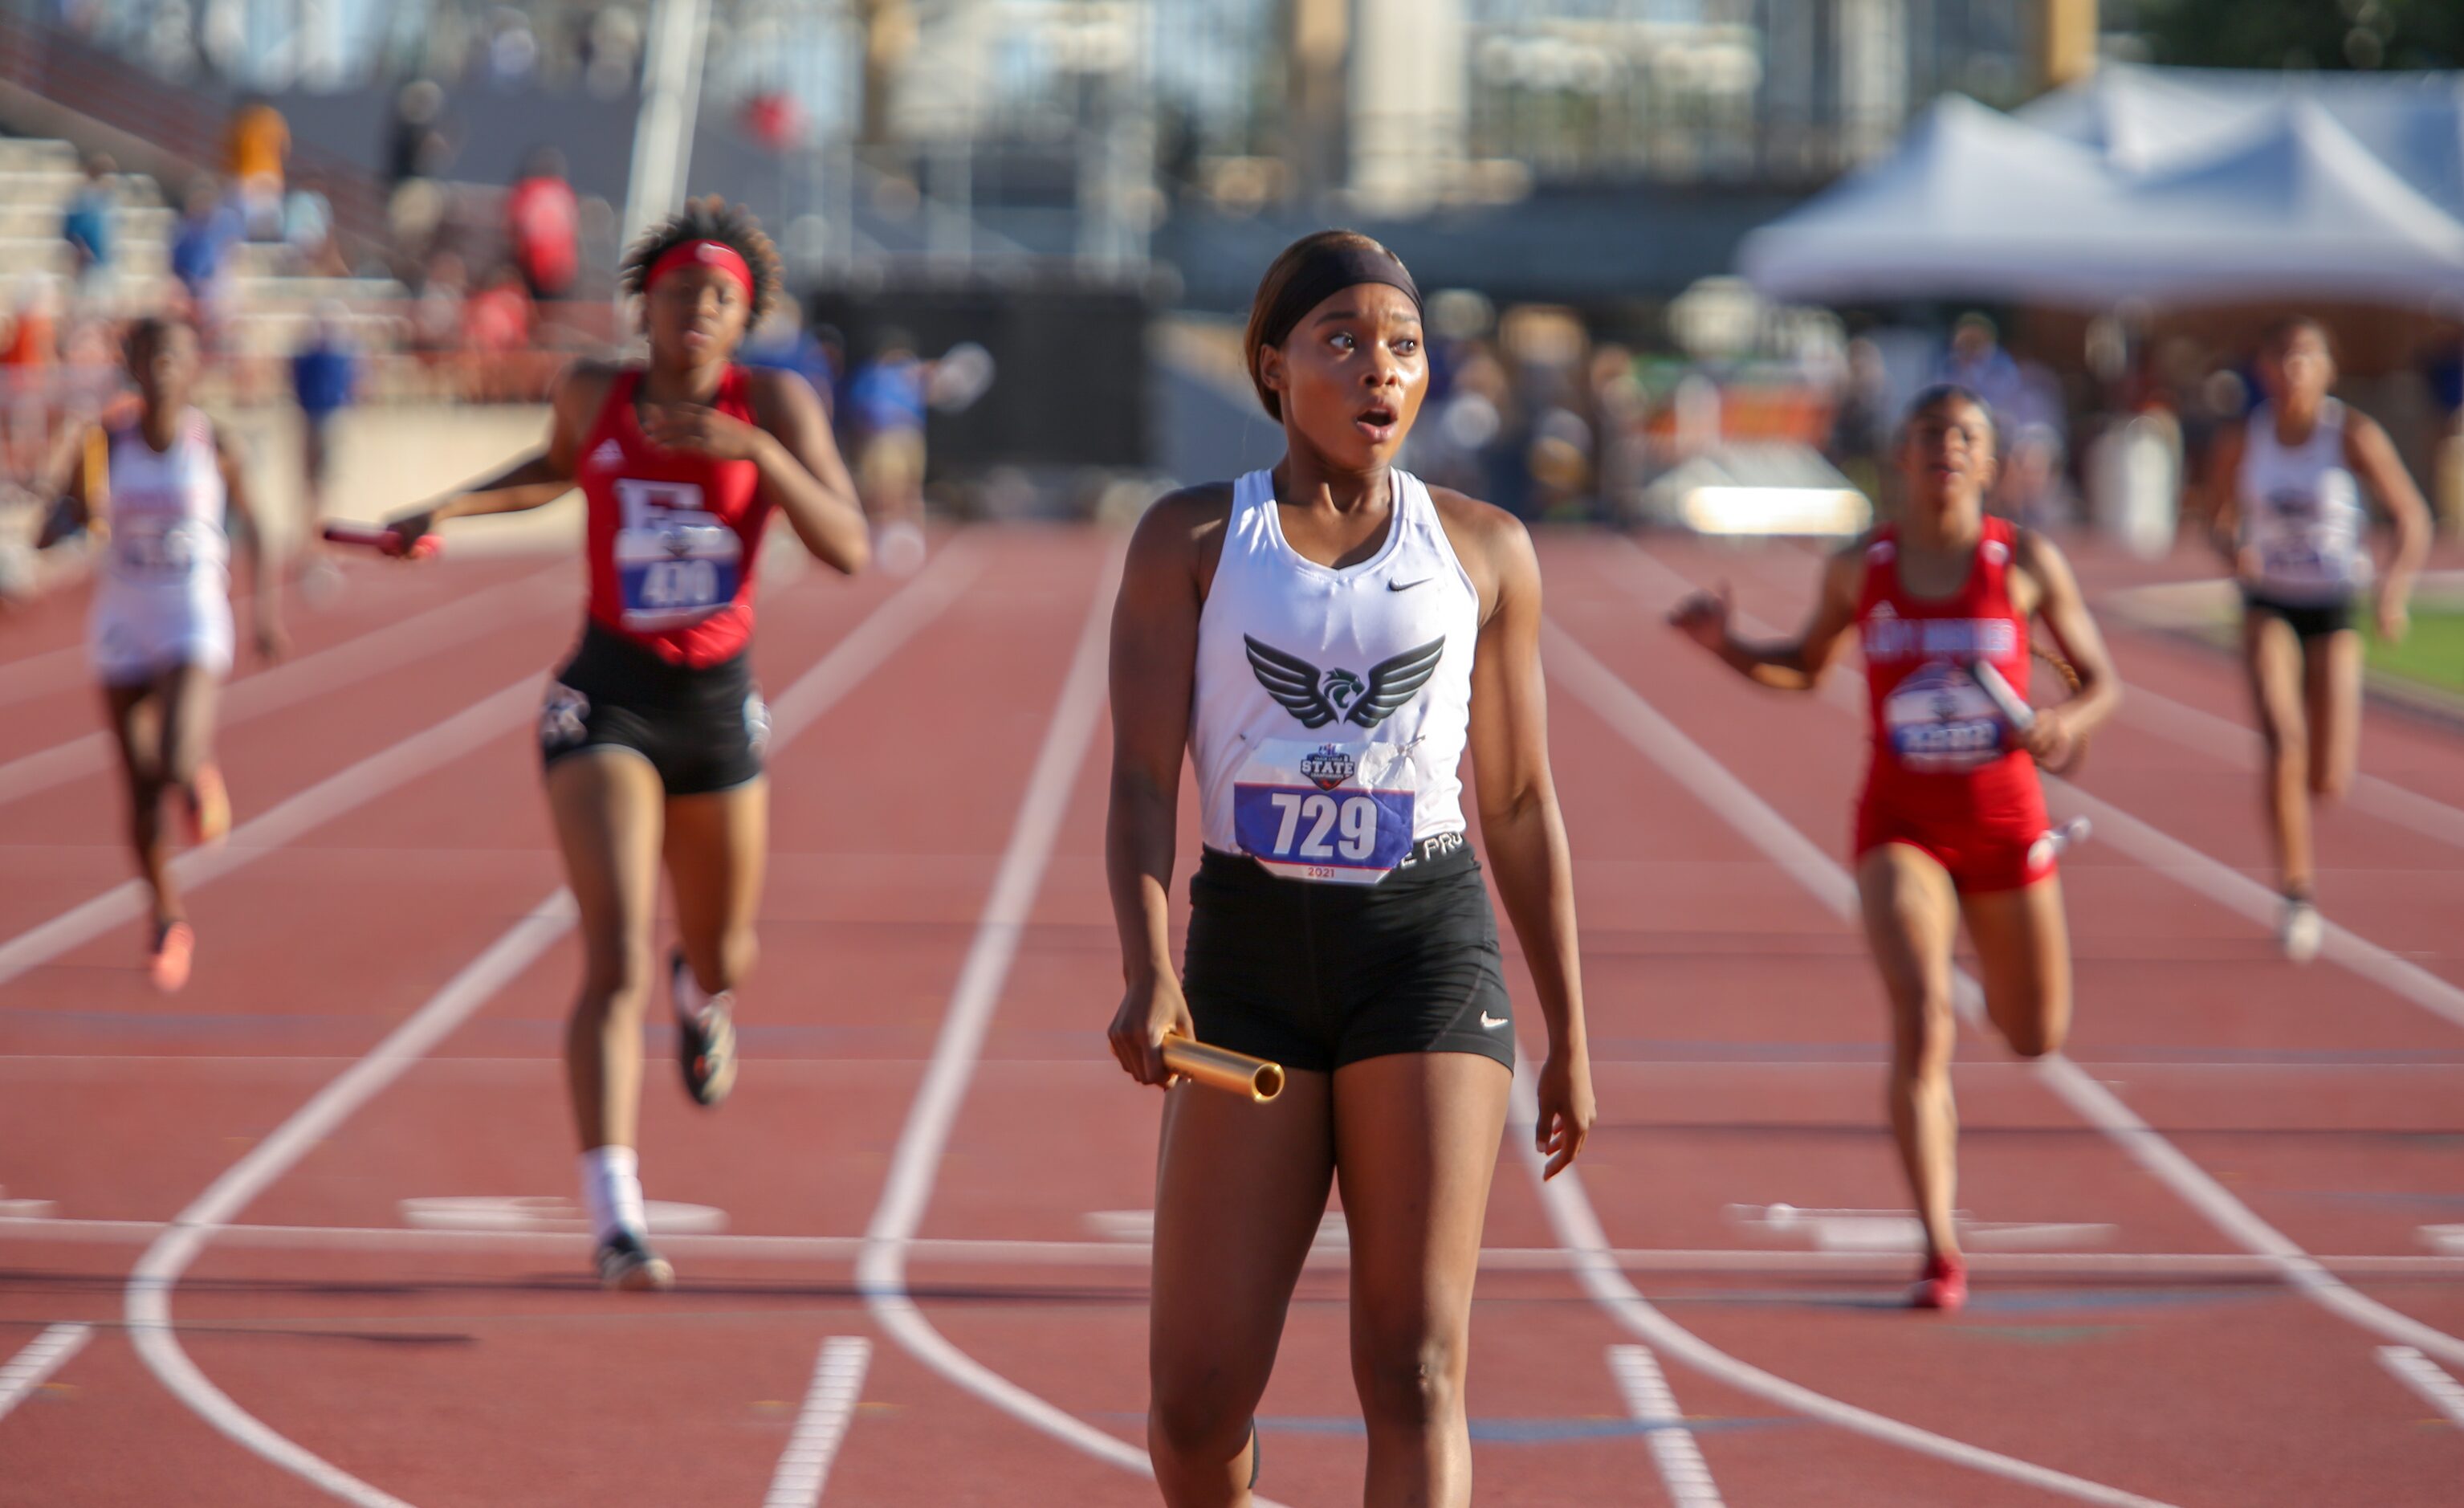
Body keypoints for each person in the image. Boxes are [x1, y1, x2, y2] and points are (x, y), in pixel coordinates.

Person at [1106, 230, 1595, 1505]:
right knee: (1196, 1404)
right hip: (1249, 959)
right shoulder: (1194, 538)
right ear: (1271, 366)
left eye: (1405, 347)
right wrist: (1147, 966)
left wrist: (1571, 1030)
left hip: (1422, 948)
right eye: (1343, 341)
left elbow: (1525, 800)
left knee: (1415, 1363)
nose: (1381, 370)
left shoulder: (1484, 550)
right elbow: (1145, 780)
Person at [379, 199, 870, 1290]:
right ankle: (616, 1214)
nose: (697, 310)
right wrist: (445, 510)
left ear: (747, 320)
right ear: (644, 301)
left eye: (722, 299)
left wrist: (756, 454)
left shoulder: (775, 400)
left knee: (723, 946)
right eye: (681, 291)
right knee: (610, 951)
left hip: (717, 708)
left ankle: (703, 993)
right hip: (604, 698)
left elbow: (849, 544)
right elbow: (551, 467)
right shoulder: (597, 391)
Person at [1671, 385, 2122, 1312]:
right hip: (1900, 827)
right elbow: (1804, 666)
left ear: (1989, 462)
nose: (1947, 449)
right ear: (1901, 457)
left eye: (1966, 437)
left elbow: (2101, 681)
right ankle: (1941, 1248)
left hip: (2005, 824)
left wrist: (2064, 724)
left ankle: (1943, 1228)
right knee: (1923, 1018)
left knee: (2037, 1036)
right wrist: (1727, 648)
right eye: (1930, 435)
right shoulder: (1860, 566)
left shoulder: (2023, 561)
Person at [44, 316, 286, 991]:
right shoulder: (103, 442)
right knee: (140, 791)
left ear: (192, 366)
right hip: (124, 618)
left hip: (190, 612)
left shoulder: (213, 441)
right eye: (149, 358)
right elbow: (52, 524)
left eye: (173, 359)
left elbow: (259, 522)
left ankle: (196, 772)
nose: (161, 371)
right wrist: (62, 520)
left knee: (176, 757)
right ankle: (166, 918)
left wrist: (266, 611)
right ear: (132, 365)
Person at [2199, 316, 2431, 960]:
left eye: (2306, 358)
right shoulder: (2242, 441)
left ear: (2326, 368)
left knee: (2327, 778)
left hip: (2333, 604)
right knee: (2282, 741)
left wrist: (2392, 592)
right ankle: (2296, 895)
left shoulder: (2350, 434)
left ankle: (2302, 809)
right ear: (2264, 369)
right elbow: (2215, 517)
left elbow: (2410, 516)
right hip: (2267, 602)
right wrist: (2232, 550)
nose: (2293, 370)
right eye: (2281, 358)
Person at [289, 304, 357, 597]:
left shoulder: (339, 356)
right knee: (311, 488)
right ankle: (312, 543)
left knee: (326, 487)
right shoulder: (311, 357)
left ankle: (328, 544)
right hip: (311, 420)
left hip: (329, 421)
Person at [505, 148, 580, 303]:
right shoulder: (564, 193)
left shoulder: (526, 192)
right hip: (563, 269)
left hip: (535, 267)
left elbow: (514, 230)